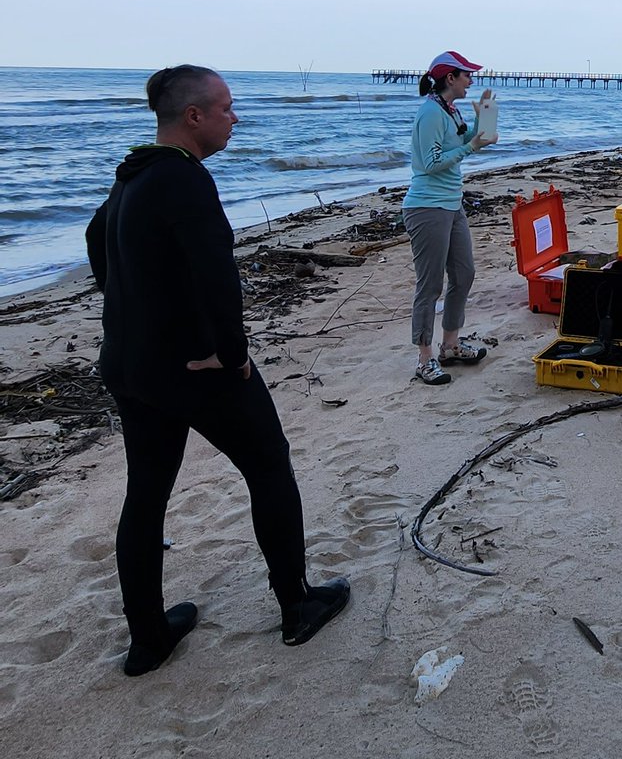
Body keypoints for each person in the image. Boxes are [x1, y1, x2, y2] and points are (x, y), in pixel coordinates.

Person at [85, 65, 350, 677]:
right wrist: (231, 354)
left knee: (146, 494)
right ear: (194, 117)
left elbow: (97, 237)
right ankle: (297, 605)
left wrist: (130, 315)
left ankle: (148, 641)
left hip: (131, 365)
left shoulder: (133, 173)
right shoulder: (183, 179)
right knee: (269, 464)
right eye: (227, 108)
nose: (236, 118)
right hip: (194, 367)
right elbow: (217, 276)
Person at [402, 50, 498, 385]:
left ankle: (451, 345)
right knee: (429, 286)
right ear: (450, 79)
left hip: (451, 203)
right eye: (466, 75)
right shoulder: (430, 112)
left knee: (464, 273)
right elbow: (430, 163)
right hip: (427, 207)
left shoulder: (448, 108)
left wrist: (485, 118)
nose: (471, 81)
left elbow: (474, 139)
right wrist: (471, 145)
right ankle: (425, 358)